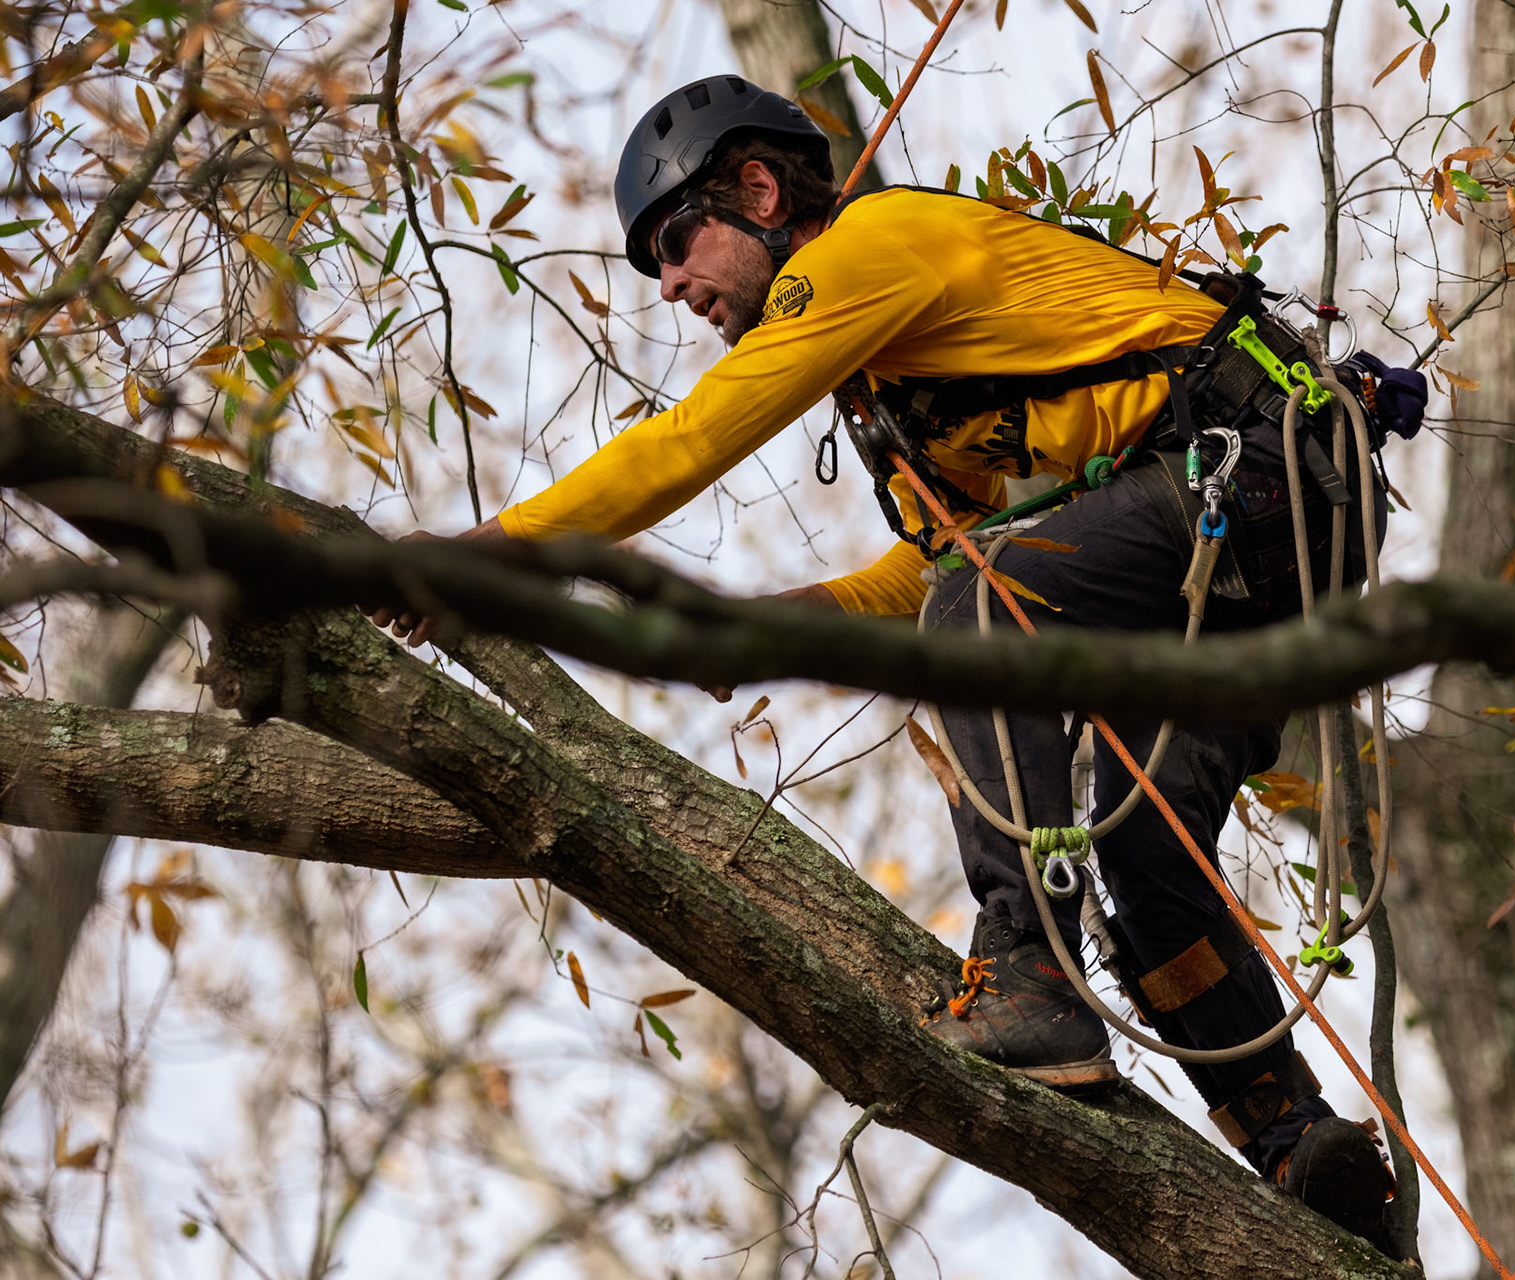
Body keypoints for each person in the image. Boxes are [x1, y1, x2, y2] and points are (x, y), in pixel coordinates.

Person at [369, 74, 1406, 1252]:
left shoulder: (868, 249)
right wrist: (777, 620)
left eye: (675, 242)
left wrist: (492, 552)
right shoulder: (902, 389)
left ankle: (1027, 965)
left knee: (987, 609)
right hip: (1251, 558)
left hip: (1252, 478)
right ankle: (1304, 1152)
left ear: (758, 190)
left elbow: (697, 438)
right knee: (1138, 831)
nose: (671, 286)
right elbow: (934, 575)